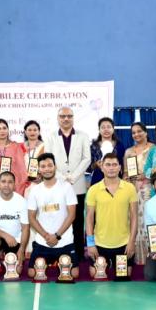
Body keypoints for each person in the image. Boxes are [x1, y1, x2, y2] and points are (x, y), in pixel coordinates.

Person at [43, 107, 91, 261]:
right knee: (59, 219)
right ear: (58, 118)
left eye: (69, 116)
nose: (66, 119)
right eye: (62, 116)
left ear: (73, 118)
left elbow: (87, 158)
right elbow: (48, 160)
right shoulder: (50, 137)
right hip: (58, 185)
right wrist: (63, 177)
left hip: (78, 186)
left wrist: (73, 176)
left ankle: (78, 253)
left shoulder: (83, 136)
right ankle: (58, 253)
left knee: (78, 221)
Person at [26, 153, 79, 279]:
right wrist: (46, 236)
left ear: (55, 167)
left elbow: (72, 215)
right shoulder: (34, 190)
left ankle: (56, 261)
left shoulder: (66, 187)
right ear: (39, 169)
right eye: (43, 166)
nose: (47, 169)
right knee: (32, 273)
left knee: (74, 274)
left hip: (64, 240)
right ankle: (53, 261)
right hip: (43, 241)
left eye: (50, 165)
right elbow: (31, 217)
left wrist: (57, 236)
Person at [86, 153, 138, 277]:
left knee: (124, 276)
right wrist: (90, 244)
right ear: (102, 167)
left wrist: (131, 242)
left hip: (123, 244)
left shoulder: (130, 188)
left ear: (120, 167)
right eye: (108, 165)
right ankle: (106, 263)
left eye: (114, 165)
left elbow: (134, 217)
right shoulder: (93, 189)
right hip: (100, 243)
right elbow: (89, 218)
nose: (111, 168)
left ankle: (113, 264)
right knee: (95, 274)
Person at [0, 171, 30, 278]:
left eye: (10, 182)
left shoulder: (21, 201)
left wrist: (22, 249)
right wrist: (6, 236)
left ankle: (9, 258)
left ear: (14, 185)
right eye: (3, 181)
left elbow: (25, 228)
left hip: (15, 239)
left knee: (17, 271)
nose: (6, 185)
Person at [123, 122, 154, 265]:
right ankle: (137, 257)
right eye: (133, 132)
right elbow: (125, 172)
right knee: (135, 220)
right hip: (133, 190)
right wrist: (126, 178)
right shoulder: (129, 152)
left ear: (146, 132)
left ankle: (153, 256)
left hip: (149, 190)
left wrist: (145, 176)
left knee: (149, 221)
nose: (136, 134)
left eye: (139, 131)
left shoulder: (154, 149)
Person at [0, 118, 28, 195]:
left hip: (13, 186)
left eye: (4, 128)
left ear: (8, 130)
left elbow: (22, 170)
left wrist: (18, 185)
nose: (2, 131)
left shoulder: (16, 147)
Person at [89, 117, 125, 185]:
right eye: (103, 127)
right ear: (99, 130)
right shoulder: (93, 146)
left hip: (116, 179)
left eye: (109, 127)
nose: (106, 129)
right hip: (98, 179)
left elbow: (123, 165)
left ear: (113, 129)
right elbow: (88, 167)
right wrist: (96, 164)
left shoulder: (120, 145)